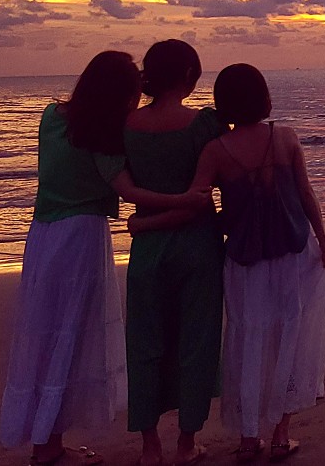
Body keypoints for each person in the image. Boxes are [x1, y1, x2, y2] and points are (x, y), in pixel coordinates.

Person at [0, 51, 208, 466]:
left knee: (46, 333)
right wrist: (183, 199)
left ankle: (47, 442)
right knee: (69, 335)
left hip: (42, 236)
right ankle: (48, 448)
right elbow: (129, 191)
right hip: (79, 237)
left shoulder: (51, 117)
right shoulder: (101, 136)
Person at [191, 63, 325, 462]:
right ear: (264, 97)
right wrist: (324, 242)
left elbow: (196, 202)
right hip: (294, 253)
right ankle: (280, 434)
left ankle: (248, 437)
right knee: (292, 336)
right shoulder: (284, 138)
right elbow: (306, 195)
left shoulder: (216, 151)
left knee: (248, 341)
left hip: (245, 260)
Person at [120, 40, 226, 466]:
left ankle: (150, 446)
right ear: (187, 75)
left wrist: (144, 223)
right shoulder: (205, 124)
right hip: (198, 243)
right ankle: (186, 442)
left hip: (148, 246)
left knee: (144, 341)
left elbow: (122, 185)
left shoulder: (126, 125)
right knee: (197, 341)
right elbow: (220, 184)